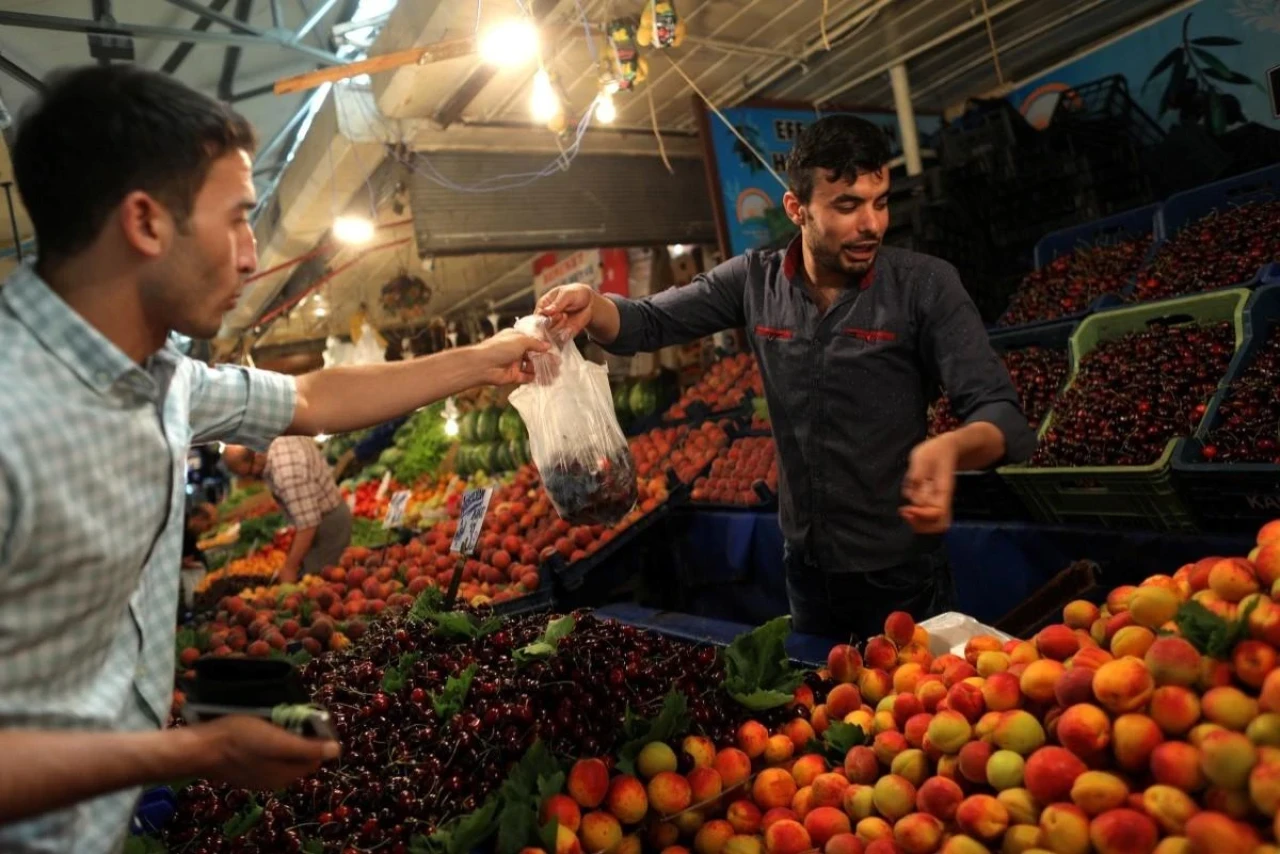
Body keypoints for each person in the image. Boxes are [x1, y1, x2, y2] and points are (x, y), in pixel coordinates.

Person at [0, 64, 547, 850]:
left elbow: (316, 399)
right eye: (237, 220)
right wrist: (195, 751)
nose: (253, 257)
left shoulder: (168, 384)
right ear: (146, 223)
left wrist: (485, 358)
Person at [539, 115, 1036, 641]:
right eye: (847, 206)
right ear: (797, 209)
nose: (872, 224)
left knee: (905, 713)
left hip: (901, 574)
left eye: (880, 201)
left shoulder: (925, 287)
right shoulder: (754, 281)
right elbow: (650, 320)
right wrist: (590, 305)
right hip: (805, 570)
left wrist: (951, 449)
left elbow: (1003, 416)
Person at [222, 438, 351, 584]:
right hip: (322, 517)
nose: (252, 478)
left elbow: (308, 525)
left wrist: (290, 567)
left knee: (318, 583)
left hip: (328, 527)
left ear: (257, 455)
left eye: (251, 472)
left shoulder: (287, 472)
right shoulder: (275, 442)